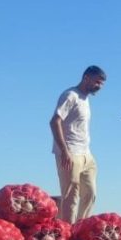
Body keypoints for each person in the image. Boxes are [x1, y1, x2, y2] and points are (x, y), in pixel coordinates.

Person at [50, 65, 106, 223]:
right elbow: (55, 121)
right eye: (97, 82)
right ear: (86, 77)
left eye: (101, 84)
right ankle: (68, 230)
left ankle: (81, 227)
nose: (99, 86)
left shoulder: (85, 99)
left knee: (90, 192)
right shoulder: (70, 95)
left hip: (86, 152)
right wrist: (64, 151)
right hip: (70, 151)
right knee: (71, 194)